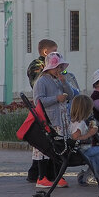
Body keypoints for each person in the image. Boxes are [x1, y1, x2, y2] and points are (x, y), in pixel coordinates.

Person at [32, 51, 76, 189]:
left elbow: (71, 95)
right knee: (43, 149)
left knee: (60, 149)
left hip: (62, 120)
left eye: (61, 67)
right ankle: (42, 177)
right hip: (48, 121)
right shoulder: (42, 81)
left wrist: (65, 83)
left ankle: (58, 175)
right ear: (49, 67)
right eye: (57, 67)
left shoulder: (60, 80)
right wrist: (56, 99)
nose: (60, 70)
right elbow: (38, 101)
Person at [25, 39, 58, 182]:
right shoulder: (37, 66)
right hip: (43, 108)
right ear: (45, 52)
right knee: (42, 142)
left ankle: (44, 172)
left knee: (49, 141)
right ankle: (37, 173)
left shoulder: (53, 65)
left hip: (53, 107)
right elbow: (38, 83)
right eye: (54, 51)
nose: (56, 54)